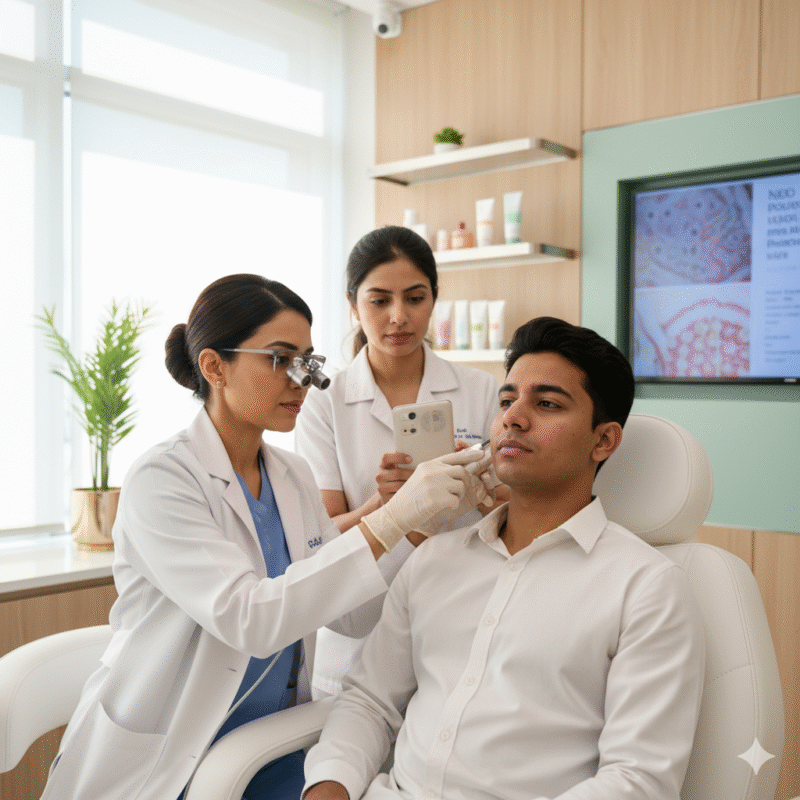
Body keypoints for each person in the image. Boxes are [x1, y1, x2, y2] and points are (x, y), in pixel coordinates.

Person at [40, 274, 492, 800]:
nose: (301, 380)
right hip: (168, 756)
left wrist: (420, 525)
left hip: (268, 747)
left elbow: (350, 616)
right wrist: (390, 518)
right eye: (280, 359)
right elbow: (248, 620)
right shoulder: (162, 479)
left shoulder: (291, 475)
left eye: (307, 361)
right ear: (214, 366)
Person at [302, 316, 706, 800]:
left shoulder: (645, 587)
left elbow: (637, 779)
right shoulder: (434, 559)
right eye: (508, 400)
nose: (514, 417)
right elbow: (369, 702)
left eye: (548, 403)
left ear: (604, 440)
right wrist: (327, 788)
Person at [295, 225, 504, 699]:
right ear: (353, 304)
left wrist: (482, 487)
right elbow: (323, 535)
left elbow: (508, 509)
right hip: (361, 630)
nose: (398, 317)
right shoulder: (323, 405)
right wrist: (386, 504)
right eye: (379, 300)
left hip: (463, 621)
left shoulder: (481, 391)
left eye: (415, 298)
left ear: (434, 298)